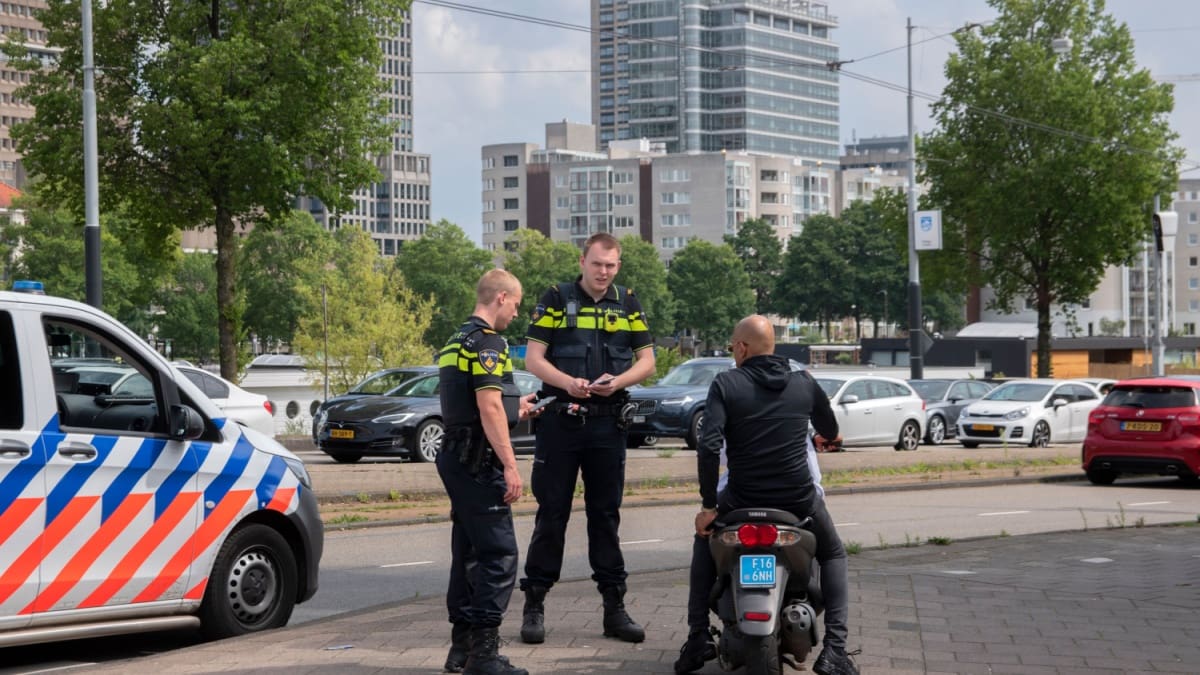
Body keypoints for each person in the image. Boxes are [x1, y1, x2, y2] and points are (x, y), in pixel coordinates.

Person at [674, 315, 859, 675]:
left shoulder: (726, 383)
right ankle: (835, 650)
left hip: (741, 499)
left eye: (732, 346)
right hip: (799, 500)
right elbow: (830, 429)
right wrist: (821, 435)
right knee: (834, 553)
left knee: (703, 540)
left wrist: (709, 505)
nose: (732, 351)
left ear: (742, 348)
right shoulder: (803, 382)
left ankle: (698, 637)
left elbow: (709, 447)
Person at [518, 232, 656, 644]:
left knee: (606, 517)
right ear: (583, 261)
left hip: (607, 424)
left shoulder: (628, 302)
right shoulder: (556, 299)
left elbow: (647, 361)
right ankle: (535, 605)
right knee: (552, 515)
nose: (603, 272)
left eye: (611, 265)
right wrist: (567, 384)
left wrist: (618, 382)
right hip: (561, 422)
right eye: (597, 264)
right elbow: (533, 358)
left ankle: (614, 609)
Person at [437, 269, 537, 675]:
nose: (516, 313)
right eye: (515, 304)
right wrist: (511, 465)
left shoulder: (454, 340)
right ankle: (484, 656)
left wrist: (518, 407)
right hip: (479, 463)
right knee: (499, 555)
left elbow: (473, 401)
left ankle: (461, 650)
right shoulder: (489, 342)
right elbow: (488, 407)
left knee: (467, 550)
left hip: (455, 456)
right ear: (500, 297)